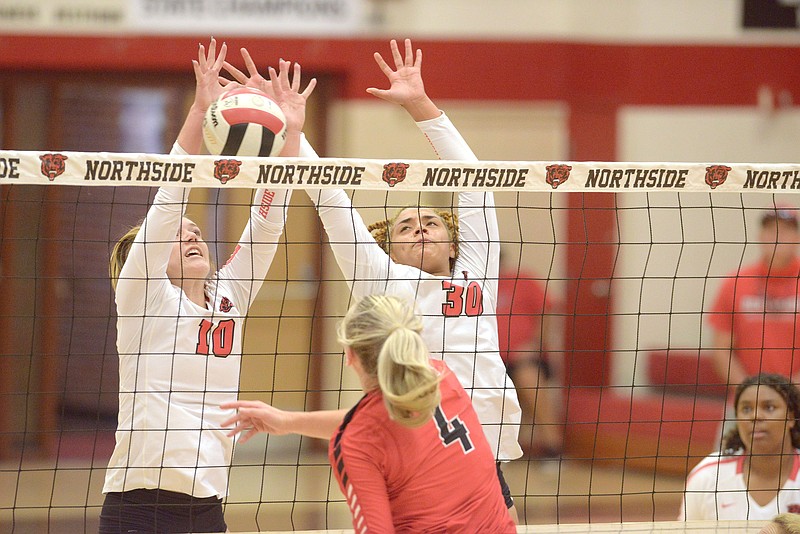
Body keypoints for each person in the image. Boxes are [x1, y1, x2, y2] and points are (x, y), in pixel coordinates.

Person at [221, 38, 523, 515]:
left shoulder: (477, 271)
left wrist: (421, 105)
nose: (421, 227)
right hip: (415, 454)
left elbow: (473, 179)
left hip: (487, 456)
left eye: (432, 222)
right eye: (406, 225)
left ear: (453, 241)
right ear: (388, 248)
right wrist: (290, 130)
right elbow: (330, 199)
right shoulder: (380, 279)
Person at [98, 40, 315, 533]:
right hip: (139, 502)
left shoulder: (228, 296)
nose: (191, 232)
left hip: (209, 503)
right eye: (180, 235)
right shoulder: (143, 296)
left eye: (196, 230)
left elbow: (266, 225)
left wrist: (290, 132)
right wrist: (199, 111)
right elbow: (167, 204)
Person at [223, 294, 516, 533]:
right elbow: (379, 426)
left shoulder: (356, 441)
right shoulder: (440, 376)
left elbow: (369, 434)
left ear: (350, 355)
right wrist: (288, 421)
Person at [679, 373, 800, 520]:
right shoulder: (708, 476)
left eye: (769, 407)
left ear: (791, 418)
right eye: (746, 409)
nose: (755, 416)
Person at [709, 205, 800, 388]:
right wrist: (750, 393)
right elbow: (721, 351)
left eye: (784, 230)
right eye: (770, 229)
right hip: (746, 402)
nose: (777, 236)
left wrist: (788, 393)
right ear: (760, 236)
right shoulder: (735, 283)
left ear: (797, 238)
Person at [496, 255, 563, 457]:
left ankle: (554, 447)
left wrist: (536, 344)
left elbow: (547, 310)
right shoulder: (472, 284)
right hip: (488, 361)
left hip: (523, 359)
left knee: (529, 379)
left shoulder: (522, 280)